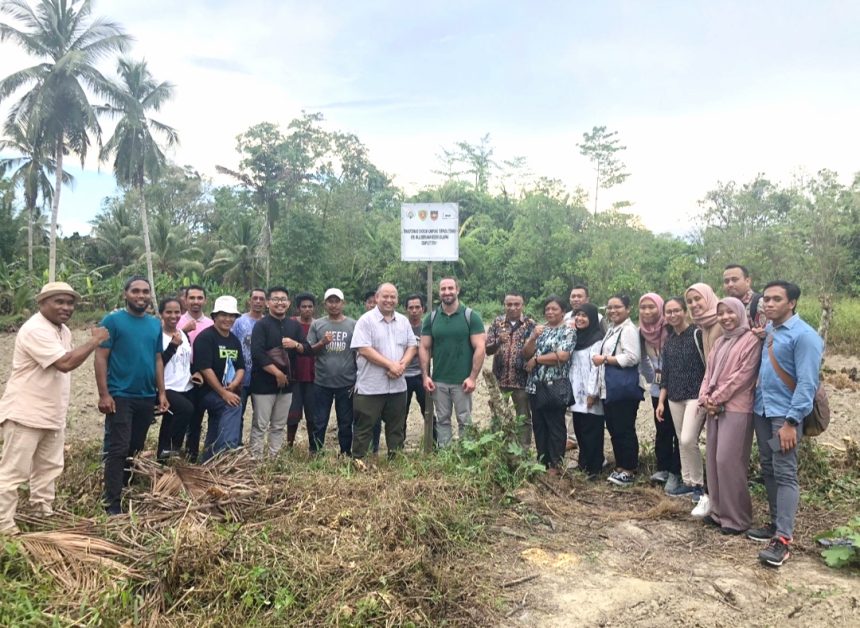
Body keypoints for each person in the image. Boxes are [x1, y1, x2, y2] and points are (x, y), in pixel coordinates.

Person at [0, 282, 108, 535]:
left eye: (70, 303)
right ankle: (4, 525)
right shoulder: (35, 329)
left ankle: (42, 512)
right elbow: (65, 363)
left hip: (51, 414)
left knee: (48, 469)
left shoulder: (63, 331)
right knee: (13, 472)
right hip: (26, 413)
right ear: (41, 303)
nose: (66, 307)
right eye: (59, 301)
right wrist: (95, 341)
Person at [747, 281, 824, 568]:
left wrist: (792, 421)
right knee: (768, 467)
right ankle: (775, 522)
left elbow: (807, 383)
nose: (767, 304)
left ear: (791, 303)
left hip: (785, 415)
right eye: (765, 299)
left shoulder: (805, 336)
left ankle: (783, 540)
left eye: (775, 299)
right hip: (763, 411)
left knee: (785, 472)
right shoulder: (770, 331)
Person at [95, 276, 168, 515]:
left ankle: (124, 485)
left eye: (145, 291)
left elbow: (157, 359)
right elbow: (101, 357)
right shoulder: (113, 321)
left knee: (135, 446)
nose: (141, 296)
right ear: (126, 294)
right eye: (135, 291)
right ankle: (112, 503)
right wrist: (104, 394)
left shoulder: (155, 324)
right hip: (120, 395)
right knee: (119, 447)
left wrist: (162, 392)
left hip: (146, 395)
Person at [698, 297, 762, 535]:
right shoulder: (720, 342)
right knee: (713, 461)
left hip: (736, 408)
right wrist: (705, 396)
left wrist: (716, 398)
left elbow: (742, 376)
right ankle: (718, 512)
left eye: (730, 313)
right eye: (721, 313)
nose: (725, 317)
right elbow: (708, 372)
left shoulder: (751, 341)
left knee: (729, 462)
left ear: (740, 313)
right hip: (714, 408)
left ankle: (737, 519)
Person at [350, 283, 418, 462]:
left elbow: (412, 345)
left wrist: (401, 365)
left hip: (397, 387)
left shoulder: (403, 321)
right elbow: (364, 349)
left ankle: (395, 460)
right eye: (385, 296)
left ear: (397, 299)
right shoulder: (365, 321)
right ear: (377, 298)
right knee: (364, 427)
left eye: (393, 297)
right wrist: (390, 365)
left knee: (396, 427)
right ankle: (359, 461)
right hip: (371, 387)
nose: (389, 300)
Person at [420, 277, 486, 447]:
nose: (447, 292)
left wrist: (472, 377)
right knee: (442, 420)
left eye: (450, 288)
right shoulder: (431, 318)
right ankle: (445, 454)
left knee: (464, 420)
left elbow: (480, 347)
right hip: (439, 380)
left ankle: (467, 453)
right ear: (439, 292)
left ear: (457, 290)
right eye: (443, 289)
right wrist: (425, 376)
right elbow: (424, 347)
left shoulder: (471, 316)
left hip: (462, 381)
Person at [657, 297, 708, 502]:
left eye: (676, 310)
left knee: (688, 439)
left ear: (684, 311)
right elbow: (666, 376)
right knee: (681, 441)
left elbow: (709, 365)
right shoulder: (669, 342)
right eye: (668, 312)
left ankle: (698, 485)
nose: (672, 315)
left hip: (696, 396)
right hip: (674, 398)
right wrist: (661, 401)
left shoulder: (697, 334)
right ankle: (687, 483)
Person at [249, 287, 310, 458]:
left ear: (289, 303)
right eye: (275, 299)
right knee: (260, 424)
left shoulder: (294, 326)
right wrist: (277, 373)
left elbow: (306, 349)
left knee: (278, 424)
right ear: (268, 303)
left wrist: (295, 344)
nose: (280, 302)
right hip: (263, 383)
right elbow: (257, 354)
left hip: (288, 384)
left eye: (283, 299)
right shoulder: (261, 325)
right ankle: (256, 459)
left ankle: (274, 458)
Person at [593, 295, 642, 487]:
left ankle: (629, 469)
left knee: (624, 429)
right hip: (611, 389)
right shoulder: (613, 329)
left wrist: (605, 359)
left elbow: (632, 357)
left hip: (623, 390)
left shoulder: (629, 330)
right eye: (610, 308)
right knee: (615, 428)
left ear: (628, 309)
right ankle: (621, 466)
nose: (613, 311)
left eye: (617, 307)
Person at [523, 296, 575, 474]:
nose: (550, 312)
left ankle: (555, 464)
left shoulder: (567, 331)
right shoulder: (540, 330)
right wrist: (532, 338)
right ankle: (542, 461)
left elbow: (562, 356)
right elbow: (525, 353)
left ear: (562, 311)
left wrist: (536, 360)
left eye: (554, 309)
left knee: (555, 425)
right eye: (547, 309)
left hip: (555, 385)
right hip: (535, 385)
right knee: (539, 424)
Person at [193, 295, 246, 461]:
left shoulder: (234, 340)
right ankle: (226, 454)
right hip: (206, 392)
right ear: (214, 316)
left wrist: (235, 383)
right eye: (223, 315)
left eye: (232, 316)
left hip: (225, 389)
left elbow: (241, 367)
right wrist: (224, 393)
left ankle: (208, 460)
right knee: (232, 405)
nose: (228, 319)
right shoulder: (206, 338)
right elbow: (205, 369)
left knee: (217, 421)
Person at [638, 293, 681, 492]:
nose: (647, 311)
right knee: (662, 429)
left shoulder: (672, 329)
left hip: (680, 388)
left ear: (660, 308)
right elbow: (642, 360)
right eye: (643, 307)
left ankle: (676, 471)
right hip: (657, 390)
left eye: (651, 307)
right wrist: (652, 378)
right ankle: (663, 467)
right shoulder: (642, 332)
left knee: (680, 432)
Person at [308, 288, 357, 455]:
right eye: (330, 301)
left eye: (337, 301)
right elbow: (309, 350)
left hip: (347, 382)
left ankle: (345, 453)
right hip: (322, 382)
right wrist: (322, 342)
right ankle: (315, 452)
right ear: (325, 304)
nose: (334, 305)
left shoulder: (353, 325)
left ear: (343, 303)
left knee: (345, 421)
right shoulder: (317, 324)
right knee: (320, 421)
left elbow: (358, 352)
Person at [485, 291, 537, 448]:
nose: (513, 308)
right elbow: (487, 350)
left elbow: (535, 349)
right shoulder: (497, 323)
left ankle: (523, 451)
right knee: (497, 416)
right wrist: (498, 342)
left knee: (524, 418)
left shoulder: (530, 324)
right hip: (500, 379)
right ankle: (498, 448)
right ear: (504, 305)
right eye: (509, 304)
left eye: (516, 304)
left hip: (521, 380)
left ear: (522, 305)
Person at [567, 303, 605, 478]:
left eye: (584, 316)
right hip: (576, 392)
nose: (580, 319)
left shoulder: (597, 339)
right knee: (580, 429)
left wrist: (592, 393)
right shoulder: (575, 337)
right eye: (577, 315)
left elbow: (596, 369)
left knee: (592, 431)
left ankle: (594, 467)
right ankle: (584, 463)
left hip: (590, 393)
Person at [178, 284, 213, 461]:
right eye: (192, 298)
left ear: (205, 300)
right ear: (185, 300)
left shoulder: (211, 324)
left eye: (199, 298)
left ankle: (192, 454)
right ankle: (172, 451)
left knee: (197, 416)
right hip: (179, 374)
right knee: (179, 414)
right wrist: (183, 331)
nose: (196, 302)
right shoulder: (176, 320)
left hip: (203, 373)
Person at [158, 298, 195, 459]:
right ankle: (172, 448)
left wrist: (196, 373)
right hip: (167, 387)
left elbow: (187, 360)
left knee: (170, 420)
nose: (173, 316)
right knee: (186, 409)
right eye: (169, 312)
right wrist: (173, 346)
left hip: (186, 386)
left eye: (177, 312)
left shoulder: (183, 335)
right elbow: (158, 364)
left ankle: (163, 456)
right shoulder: (158, 336)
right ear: (161, 314)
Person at [231, 288, 267, 438]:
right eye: (255, 298)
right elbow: (232, 345)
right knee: (237, 414)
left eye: (261, 299)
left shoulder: (267, 322)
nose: (258, 301)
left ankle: (255, 448)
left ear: (266, 303)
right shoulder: (239, 322)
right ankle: (235, 444)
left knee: (260, 417)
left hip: (262, 377)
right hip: (241, 378)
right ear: (249, 300)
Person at [287, 292, 317, 448]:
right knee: (292, 415)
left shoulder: (319, 325)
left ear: (314, 308)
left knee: (312, 416)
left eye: (310, 306)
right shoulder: (291, 323)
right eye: (304, 306)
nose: (307, 309)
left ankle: (314, 448)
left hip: (313, 376)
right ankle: (289, 446)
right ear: (298, 308)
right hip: (294, 376)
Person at [403, 294, 431, 440]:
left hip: (422, 375)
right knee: (401, 413)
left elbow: (432, 350)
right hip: (403, 376)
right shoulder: (401, 326)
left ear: (423, 309)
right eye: (411, 307)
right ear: (406, 309)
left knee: (428, 411)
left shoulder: (428, 327)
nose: (414, 310)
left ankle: (434, 443)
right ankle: (398, 446)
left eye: (417, 307)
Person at [722, 264, 767, 334]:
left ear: (747, 281)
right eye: (726, 281)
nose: (730, 284)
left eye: (734, 280)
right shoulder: (725, 307)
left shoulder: (759, 304)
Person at [685, 283, 723, 358]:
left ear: (708, 297)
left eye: (697, 298)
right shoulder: (704, 325)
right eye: (689, 302)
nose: (693, 304)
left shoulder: (723, 321)